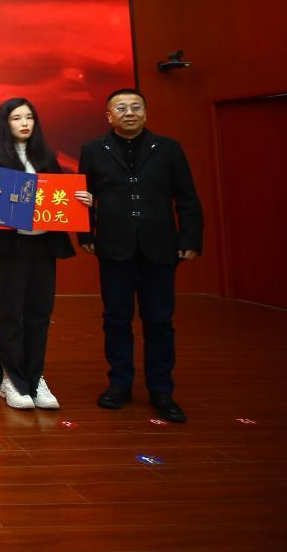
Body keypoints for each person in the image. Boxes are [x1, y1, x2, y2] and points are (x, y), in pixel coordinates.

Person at [79, 88, 202, 423]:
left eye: (136, 107)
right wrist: (86, 234)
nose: (129, 112)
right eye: (121, 108)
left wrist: (190, 238)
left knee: (159, 321)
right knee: (116, 319)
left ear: (146, 113)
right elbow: (83, 196)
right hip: (113, 247)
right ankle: (119, 384)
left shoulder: (169, 148)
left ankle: (161, 390)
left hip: (160, 247)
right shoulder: (93, 149)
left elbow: (187, 197)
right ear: (109, 116)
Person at [0, 98, 92, 411]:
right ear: (5, 123)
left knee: (39, 312)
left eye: (29, 117)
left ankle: (35, 377)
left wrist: (82, 200)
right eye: (16, 118)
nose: (24, 123)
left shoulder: (46, 155)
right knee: (10, 311)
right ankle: (14, 379)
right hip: (10, 246)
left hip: (43, 244)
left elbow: (62, 196)